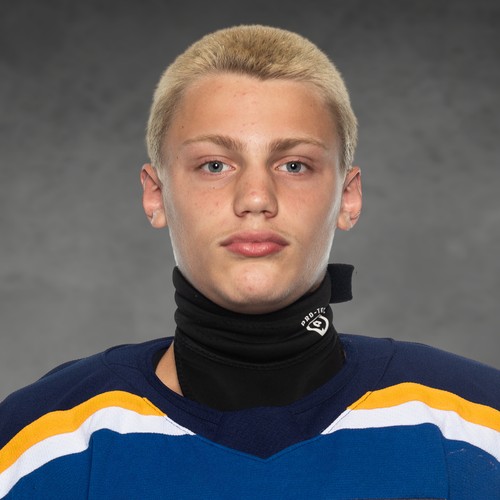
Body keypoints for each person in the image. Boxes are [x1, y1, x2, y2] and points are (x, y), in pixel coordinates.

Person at [0, 25, 499, 499]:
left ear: (348, 198)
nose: (256, 197)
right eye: (214, 165)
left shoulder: (478, 428)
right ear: (155, 195)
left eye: (294, 165)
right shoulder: (38, 444)